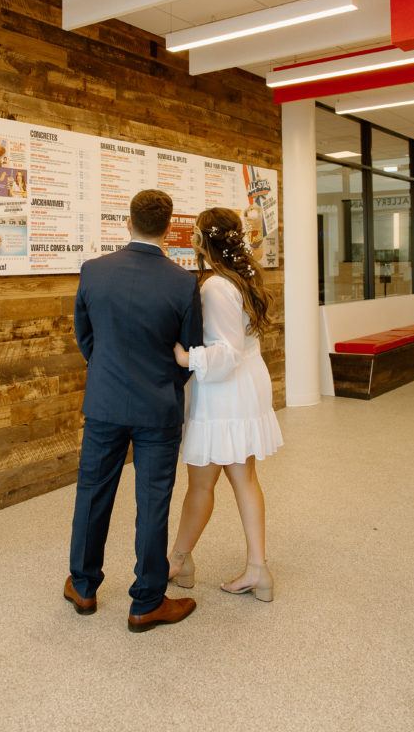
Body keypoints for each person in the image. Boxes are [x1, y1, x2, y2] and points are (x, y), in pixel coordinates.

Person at [64, 189, 204, 633]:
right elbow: (191, 351)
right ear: (167, 229)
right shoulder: (183, 282)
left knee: (92, 493)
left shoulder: (94, 271)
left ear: (128, 223)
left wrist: (106, 370)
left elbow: (85, 336)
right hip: (158, 407)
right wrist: (163, 381)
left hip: (104, 402)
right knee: (153, 502)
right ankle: (146, 601)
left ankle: (83, 587)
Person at [168, 206, 283, 602]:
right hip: (245, 385)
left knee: (200, 483)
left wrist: (188, 359)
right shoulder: (243, 277)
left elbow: (227, 351)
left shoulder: (216, 285)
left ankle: (178, 561)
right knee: (244, 478)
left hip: (224, 392)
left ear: (203, 240)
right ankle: (257, 569)